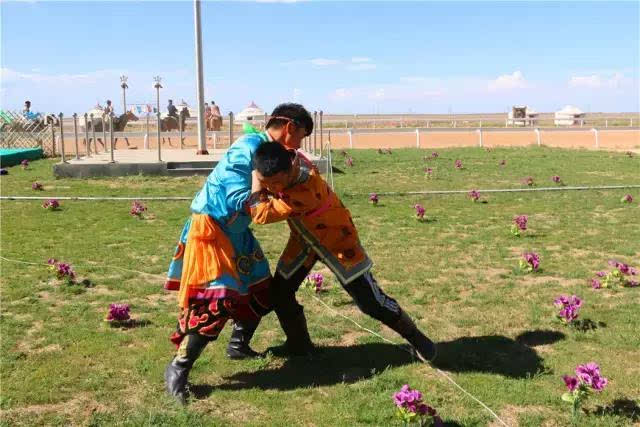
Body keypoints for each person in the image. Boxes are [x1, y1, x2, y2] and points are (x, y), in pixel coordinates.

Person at [163, 103, 313, 404]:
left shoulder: (275, 153)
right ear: (289, 128)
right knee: (216, 302)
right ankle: (178, 367)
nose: (300, 144)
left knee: (261, 290)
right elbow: (234, 196)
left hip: (237, 232)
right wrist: (265, 194)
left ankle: (238, 345)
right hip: (213, 229)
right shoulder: (246, 147)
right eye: (301, 136)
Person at [244, 142, 437, 363]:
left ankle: (415, 336)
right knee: (280, 292)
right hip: (304, 240)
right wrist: (264, 177)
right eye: (268, 182)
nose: (272, 188)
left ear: (289, 171)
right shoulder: (290, 160)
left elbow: (260, 215)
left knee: (369, 302)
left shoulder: (304, 192)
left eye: (276, 183)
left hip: (338, 241)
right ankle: (299, 345)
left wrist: (256, 181)